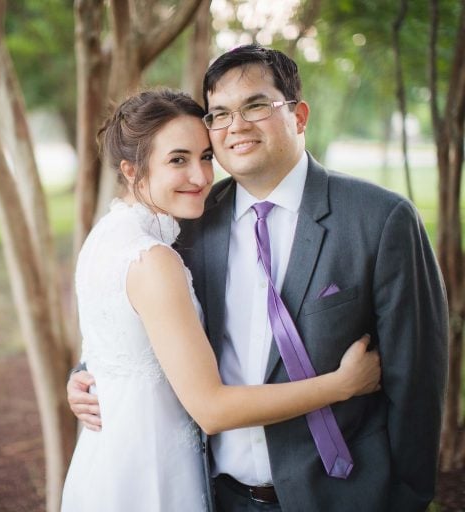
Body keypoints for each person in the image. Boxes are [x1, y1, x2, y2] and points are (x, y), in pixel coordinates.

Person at [69, 45, 448, 512]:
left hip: (343, 496)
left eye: (256, 106)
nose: (237, 126)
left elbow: (418, 378)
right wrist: (87, 376)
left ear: (299, 115)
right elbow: (136, 325)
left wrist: (406, 498)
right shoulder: (187, 223)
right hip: (213, 494)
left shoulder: (381, 219)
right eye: (220, 113)